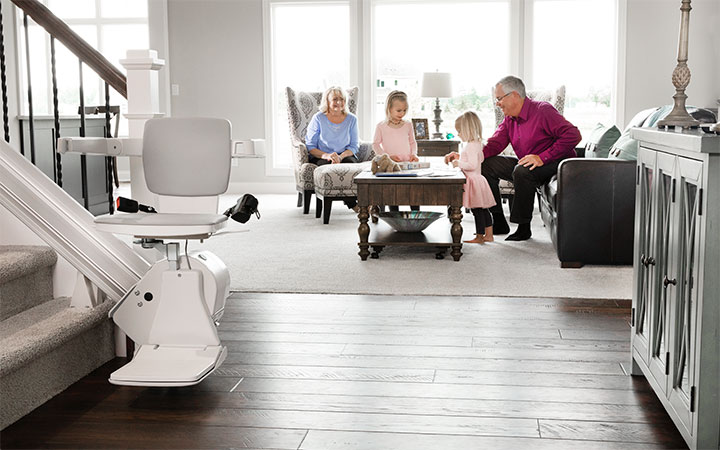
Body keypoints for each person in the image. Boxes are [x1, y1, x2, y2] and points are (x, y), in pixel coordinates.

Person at [446, 76, 581, 241]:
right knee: (487, 164)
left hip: (554, 163)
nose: (497, 103)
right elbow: (494, 145)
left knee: (522, 170)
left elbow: (573, 135)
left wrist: (542, 157)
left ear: (514, 95)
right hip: (528, 164)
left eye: (499, 98)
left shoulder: (543, 110)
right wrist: (467, 156)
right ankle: (498, 220)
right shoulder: (510, 119)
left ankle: (524, 227)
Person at [305, 86, 361, 209]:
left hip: (345, 155)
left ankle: (356, 203)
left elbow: (354, 146)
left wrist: (340, 157)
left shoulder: (352, 119)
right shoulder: (318, 118)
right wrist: (327, 156)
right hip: (322, 156)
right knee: (327, 167)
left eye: (342, 99)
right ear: (327, 101)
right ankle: (353, 205)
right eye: (335, 99)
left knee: (350, 167)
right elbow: (310, 145)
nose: (339, 102)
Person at [446, 111, 496, 244]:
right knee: (484, 209)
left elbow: (472, 165)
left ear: (467, 130)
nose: (458, 134)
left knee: (477, 210)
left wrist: (458, 163)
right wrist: (460, 157)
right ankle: (489, 234)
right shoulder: (476, 144)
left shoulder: (470, 146)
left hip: (473, 181)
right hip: (478, 180)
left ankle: (479, 236)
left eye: (460, 131)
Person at [372, 90, 419, 212]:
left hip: (407, 164)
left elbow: (412, 142)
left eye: (405, 110)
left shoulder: (408, 125)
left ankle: (415, 214)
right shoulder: (381, 126)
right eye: (399, 110)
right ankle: (394, 215)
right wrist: (386, 157)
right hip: (391, 166)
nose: (402, 113)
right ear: (389, 108)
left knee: (412, 190)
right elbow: (376, 144)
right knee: (393, 192)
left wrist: (414, 154)